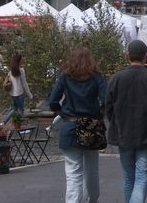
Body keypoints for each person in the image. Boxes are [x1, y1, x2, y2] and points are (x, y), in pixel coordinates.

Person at [107, 40, 147, 203]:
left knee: (128, 177)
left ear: (128, 56)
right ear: (145, 57)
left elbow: (108, 108)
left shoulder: (115, 79)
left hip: (123, 132)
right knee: (141, 176)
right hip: (146, 132)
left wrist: (115, 122)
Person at [48, 47, 107, 203]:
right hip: (91, 126)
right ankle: (91, 200)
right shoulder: (96, 77)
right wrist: (99, 112)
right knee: (92, 170)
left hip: (70, 125)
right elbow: (106, 99)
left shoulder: (65, 77)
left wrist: (62, 112)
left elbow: (53, 101)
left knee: (73, 172)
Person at [1, 53, 33, 124]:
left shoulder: (11, 71)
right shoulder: (21, 71)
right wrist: (30, 95)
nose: (23, 60)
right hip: (20, 93)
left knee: (14, 109)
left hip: (13, 93)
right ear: (19, 61)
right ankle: (20, 128)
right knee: (21, 110)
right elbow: (25, 84)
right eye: (21, 59)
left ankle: (3, 122)